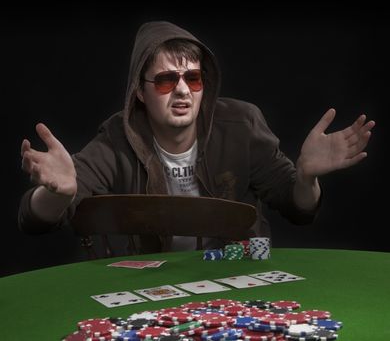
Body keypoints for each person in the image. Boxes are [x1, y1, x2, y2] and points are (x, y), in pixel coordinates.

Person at [19, 21, 375, 253]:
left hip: (237, 271)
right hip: (153, 281)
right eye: (165, 80)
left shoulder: (242, 123)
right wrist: (56, 194)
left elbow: (298, 208)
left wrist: (307, 179)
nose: (182, 92)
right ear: (140, 93)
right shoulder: (116, 136)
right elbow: (37, 219)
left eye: (193, 79)